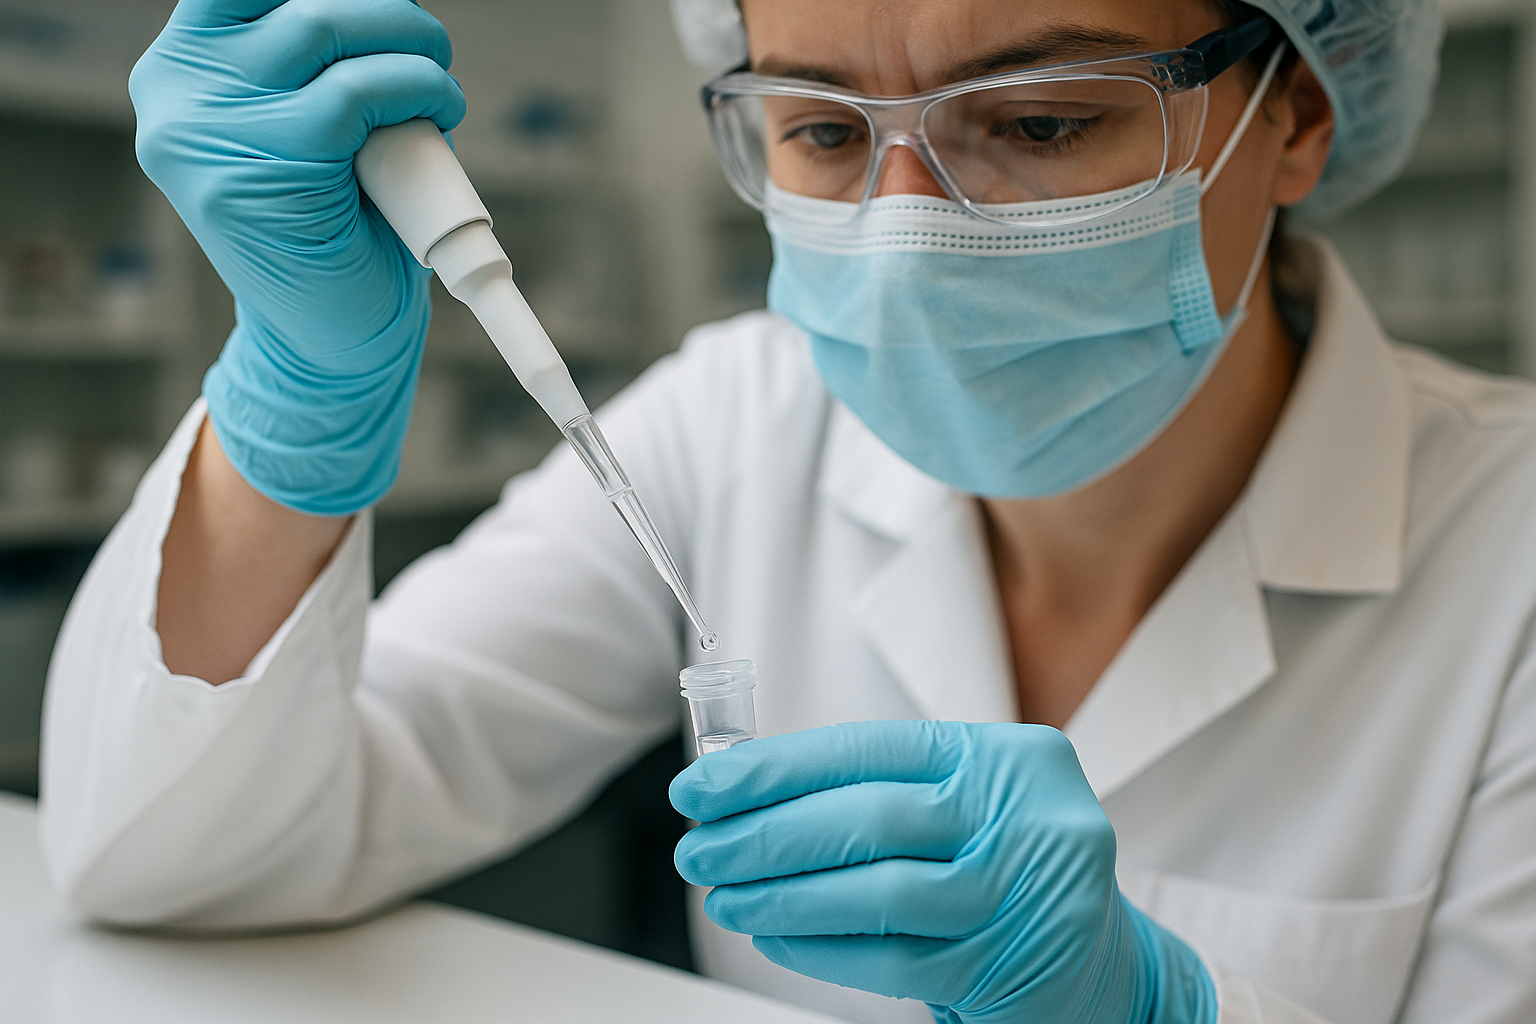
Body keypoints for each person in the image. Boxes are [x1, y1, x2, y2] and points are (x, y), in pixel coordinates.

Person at [36, 0, 1536, 1020]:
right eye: (820, 131)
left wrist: (1157, 1007)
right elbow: (169, 860)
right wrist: (295, 399)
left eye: (1045, 120)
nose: (901, 230)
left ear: (1297, 116)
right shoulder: (731, 421)